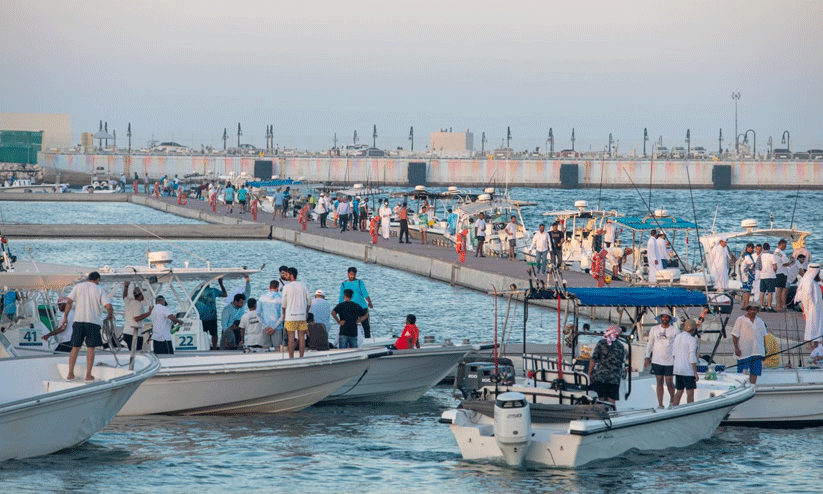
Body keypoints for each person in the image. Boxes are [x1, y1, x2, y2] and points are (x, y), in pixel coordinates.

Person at [60, 272, 113, 382]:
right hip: (92, 322)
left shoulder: (78, 286)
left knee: (75, 347)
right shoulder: (99, 289)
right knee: (90, 348)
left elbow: (69, 301)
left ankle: (70, 374)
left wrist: (65, 317)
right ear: (98, 279)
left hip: (78, 321)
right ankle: (88, 376)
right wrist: (109, 314)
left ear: (88, 278)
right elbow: (108, 306)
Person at [644, 309, 677, 408]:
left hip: (670, 360)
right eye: (663, 316)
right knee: (659, 381)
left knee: (669, 381)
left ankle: (672, 399)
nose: (664, 318)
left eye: (667, 317)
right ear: (660, 318)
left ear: (670, 319)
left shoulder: (675, 330)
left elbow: (678, 344)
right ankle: (660, 404)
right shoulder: (654, 329)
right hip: (656, 360)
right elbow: (650, 343)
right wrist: (647, 356)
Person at [587, 326, 625, 406]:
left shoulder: (601, 343)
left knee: (600, 398)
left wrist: (589, 373)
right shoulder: (621, 346)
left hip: (601, 376)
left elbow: (593, 359)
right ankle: (612, 415)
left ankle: (601, 415)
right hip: (615, 378)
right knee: (611, 399)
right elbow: (621, 361)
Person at [732, 305, 768, 383]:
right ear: (748, 310)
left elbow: (764, 337)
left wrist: (764, 351)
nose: (753, 311)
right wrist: (736, 348)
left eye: (754, 310)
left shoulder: (760, 321)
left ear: (757, 311)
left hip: (757, 351)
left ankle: (752, 387)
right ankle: (741, 388)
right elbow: (735, 335)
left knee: (755, 372)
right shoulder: (740, 319)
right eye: (751, 309)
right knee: (741, 373)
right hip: (744, 351)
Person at [281, 267, 311, 358]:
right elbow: (309, 301)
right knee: (301, 337)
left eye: (287, 274)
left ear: (291, 275)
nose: (286, 276)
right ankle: (301, 357)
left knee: (291, 337)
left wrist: (284, 313)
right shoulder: (303, 286)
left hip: (290, 316)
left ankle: (291, 358)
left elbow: (283, 303)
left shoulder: (286, 287)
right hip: (301, 316)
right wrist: (306, 312)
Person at [192, 277, 227, 350]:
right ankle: (214, 348)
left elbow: (191, 303)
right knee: (214, 334)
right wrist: (221, 283)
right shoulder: (213, 291)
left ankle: (203, 347)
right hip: (211, 316)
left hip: (202, 317)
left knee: (203, 334)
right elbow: (225, 294)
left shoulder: (196, 293)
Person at [339, 267, 373, 338]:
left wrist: (369, 302)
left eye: (354, 274)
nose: (352, 276)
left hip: (362, 307)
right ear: (348, 274)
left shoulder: (360, 282)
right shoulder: (344, 284)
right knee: (351, 326)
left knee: (366, 326)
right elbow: (341, 297)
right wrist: (340, 308)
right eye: (351, 274)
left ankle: (368, 340)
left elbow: (365, 293)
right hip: (351, 308)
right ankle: (352, 340)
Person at [672, 319, 699, 406]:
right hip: (688, 370)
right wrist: (695, 373)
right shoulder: (692, 340)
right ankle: (690, 410)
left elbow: (673, 355)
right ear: (692, 330)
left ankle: (674, 409)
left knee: (679, 391)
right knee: (690, 393)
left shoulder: (677, 337)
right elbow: (692, 357)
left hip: (677, 369)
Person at [794, 263, 822, 344]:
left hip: (815, 307)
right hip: (811, 307)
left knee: (816, 325)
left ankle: (816, 343)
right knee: (812, 324)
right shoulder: (808, 281)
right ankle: (810, 343)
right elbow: (807, 295)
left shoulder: (812, 281)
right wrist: (809, 306)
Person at [122, 281, 150, 351]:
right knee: (137, 353)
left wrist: (126, 286)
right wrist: (149, 313)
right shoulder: (138, 304)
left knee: (131, 352)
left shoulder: (128, 301)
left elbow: (124, 296)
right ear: (140, 295)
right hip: (134, 334)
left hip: (126, 332)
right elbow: (137, 318)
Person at [258, 280, 285, 350]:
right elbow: (283, 315)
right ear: (277, 288)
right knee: (277, 347)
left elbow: (258, 314)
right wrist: (274, 328)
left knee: (265, 347)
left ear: (269, 287)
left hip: (265, 327)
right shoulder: (281, 298)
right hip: (277, 327)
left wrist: (265, 326)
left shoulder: (262, 297)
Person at [774, 239, 795, 311]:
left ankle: (778, 305)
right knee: (780, 290)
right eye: (785, 245)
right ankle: (778, 305)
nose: (785, 247)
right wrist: (792, 261)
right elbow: (786, 263)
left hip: (777, 272)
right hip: (782, 272)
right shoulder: (782, 253)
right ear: (781, 244)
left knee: (779, 290)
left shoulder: (775, 252)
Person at [759, 242, 778, 311]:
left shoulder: (760, 256)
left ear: (763, 249)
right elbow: (775, 266)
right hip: (770, 276)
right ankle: (769, 307)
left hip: (762, 276)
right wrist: (775, 271)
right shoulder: (772, 256)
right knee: (770, 292)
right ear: (769, 248)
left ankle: (761, 306)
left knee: (762, 292)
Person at [740, 243, 756, 309]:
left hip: (743, 275)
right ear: (748, 248)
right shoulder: (747, 256)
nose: (753, 249)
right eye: (751, 248)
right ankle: (746, 304)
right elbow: (751, 264)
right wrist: (753, 267)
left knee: (745, 290)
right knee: (747, 291)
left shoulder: (744, 255)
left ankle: (744, 304)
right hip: (748, 275)